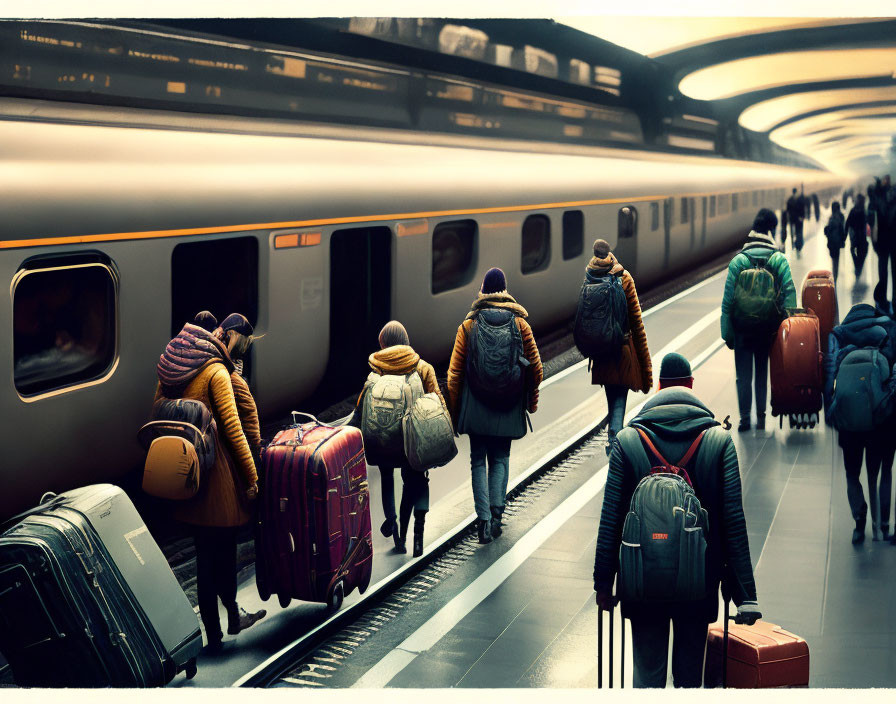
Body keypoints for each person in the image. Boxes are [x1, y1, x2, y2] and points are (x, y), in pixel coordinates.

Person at [593, 352, 760, 688]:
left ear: (658, 387)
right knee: (688, 677)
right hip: (697, 583)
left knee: (647, 675)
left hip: (642, 580)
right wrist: (745, 595)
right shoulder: (718, 442)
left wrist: (603, 583)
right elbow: (733, 524)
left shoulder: (627, 442)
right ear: (692, 386)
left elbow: (611, 518)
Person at [154, 320, 266, 652]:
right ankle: (232, 616)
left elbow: (156, 413)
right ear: (229, 339)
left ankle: (213, 634)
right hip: (218, 481)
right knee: (225, 553)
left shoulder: (176, 368)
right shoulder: (216, 373)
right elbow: (234, 430)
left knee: (204, 559)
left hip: (190, 478)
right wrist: (252, 477)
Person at [446, 267, 543, 544]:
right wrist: (530, 400)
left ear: (483, 290)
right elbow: (536, 369)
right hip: (508, 404)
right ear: (505, 289)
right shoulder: (520, 324)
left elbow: (454, 375)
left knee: (478, 461)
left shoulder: (468, 325)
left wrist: (455, 414)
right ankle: (497, 515)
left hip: (476, 407)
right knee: (500, 458)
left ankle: (483, 523)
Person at [349, 320, 444, 557]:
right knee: (416, 481)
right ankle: (415, 534)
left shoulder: (376, 371)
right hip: (412, 441)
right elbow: (437, 403)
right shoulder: (423, 368)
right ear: (406, 341)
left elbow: (360, 409)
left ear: (383, 344)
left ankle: (393, 529)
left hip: (382, 442)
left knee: (387, 477)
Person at [825, 303, 896, 543]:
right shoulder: (886, 329)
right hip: (878, 419)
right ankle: (883, 525)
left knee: (852, 473)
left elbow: (830, 369)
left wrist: (829, 404)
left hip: (849, 422)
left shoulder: (839, 334)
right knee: (880, 471)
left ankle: (859, 521)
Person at [721, 209, 797, 431]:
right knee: (762, 371)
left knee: (743, 375)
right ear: (771, 232)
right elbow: (790, 293)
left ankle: (745, 419)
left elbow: (728, 302)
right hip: (767, 327)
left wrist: (727, 333)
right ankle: (761, 418)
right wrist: (789, 328)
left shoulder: (738, 261)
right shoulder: (777, 259)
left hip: (742, 327)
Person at [584, 238, 652, 455]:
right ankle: (615, 445)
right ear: (610, 254)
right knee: (620, 400)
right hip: (622, 349)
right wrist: (646, 365)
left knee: (612, 399)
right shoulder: (624, 278)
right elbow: (636, 322)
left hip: (601, 352)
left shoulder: (589, 278)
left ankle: (613, 439)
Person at [214, 313, 262, 463]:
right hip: (223, 451)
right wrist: (254, 459)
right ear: (230, 336)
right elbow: (249, 424)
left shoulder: (205, 359)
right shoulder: (233, 378)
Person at [872, 176, 896, 310]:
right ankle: (888, 299)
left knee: (883, 270)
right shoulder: (881, 199)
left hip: (883, 240)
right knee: (890, 271)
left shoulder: (879, 200)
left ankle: (882, 299)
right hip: (890, 240)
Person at [846, 193, 869, 277]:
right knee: (861, 253)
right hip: (859, 237)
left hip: (856, 238)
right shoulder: (861, 211)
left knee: (856, 252)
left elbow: (847, 223)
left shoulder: (856, 210)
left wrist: (845, 235)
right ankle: (858, 267)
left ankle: (858, 267)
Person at [823, 201, 847, 282]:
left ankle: (835, 277)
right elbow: (843, 230)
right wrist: (843, 240)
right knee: (836, 260)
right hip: (837, 243)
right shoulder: (841, 217)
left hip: (832, 243)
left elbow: (827, 231)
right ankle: (835, 276)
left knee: (834, 260)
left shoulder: (831, 218)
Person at [786, 188, 804, 253]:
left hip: (793, 218)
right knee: (796, 231)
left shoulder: (790, 200)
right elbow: (802, 209)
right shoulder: (799, 200)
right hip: (796, 219)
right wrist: (802, 217)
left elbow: (787, 210)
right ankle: (795, 243)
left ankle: (794, 243)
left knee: (793, 231)